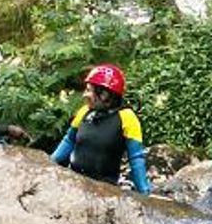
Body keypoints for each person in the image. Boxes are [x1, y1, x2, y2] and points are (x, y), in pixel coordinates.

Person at [49, 64, 151, 195]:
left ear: (104, 94)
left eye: (89, 90)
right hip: (75, 183)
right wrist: (50, 164)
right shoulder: (84, 112)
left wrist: (144, 192)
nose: (84, 95)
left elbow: (136, 158)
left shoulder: (127, 118)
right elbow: (69, 141)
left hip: (105, 191)